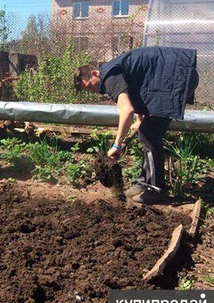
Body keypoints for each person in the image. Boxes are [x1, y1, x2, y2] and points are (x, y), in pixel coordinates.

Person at [74, 46, 199, 205]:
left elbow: (127, 110)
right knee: (146, 130)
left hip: (177, 76)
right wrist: (140, 120)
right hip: (174, 74)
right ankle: (144, 182)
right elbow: (141, 90)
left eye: (90, 86)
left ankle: (156, 189)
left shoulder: (109, 75)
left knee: (150, 133)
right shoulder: (113, 70)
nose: (93, 91)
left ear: (93, 73)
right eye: (89, 90)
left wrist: (117, 145)